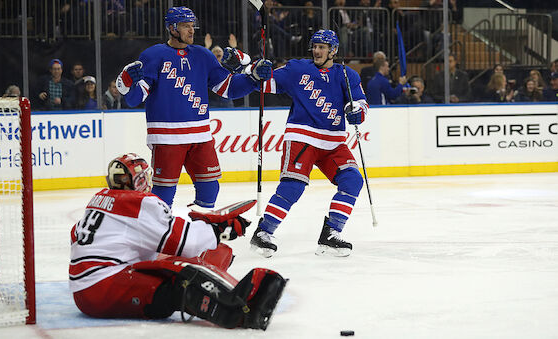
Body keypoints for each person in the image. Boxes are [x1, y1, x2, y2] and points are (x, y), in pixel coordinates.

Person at [70, 153, 287, 329]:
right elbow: (186, 244)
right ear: (140, 180)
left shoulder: (98, 200)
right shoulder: (138, 202)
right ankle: (237, 311)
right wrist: (220, 230)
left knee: (208, 255)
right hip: (103, 289)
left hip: (85, 290)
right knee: (179, 279)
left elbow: (77, 234)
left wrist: (204, 225)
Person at [116, 6, 272, 209]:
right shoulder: (153, 55)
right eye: (185, 26)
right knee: (164, 192)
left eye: (192, 26)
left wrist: (253, 78)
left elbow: (228, 88)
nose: (191, 31)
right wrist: (126, 84)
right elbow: (135, 99)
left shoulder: (202, 55)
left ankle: (199, 229)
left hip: (201, 135)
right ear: (172, 28)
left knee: (210, 187)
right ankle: (157, 232)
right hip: (167, 136)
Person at [247, 30, 369, 258]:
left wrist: (356, 112)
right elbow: (266, 84)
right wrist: (258, 72)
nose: (317, 51)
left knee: (352, 180)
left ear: (334, 50)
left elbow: (361, 103)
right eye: (315, 46)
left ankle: (331, 234)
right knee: (293, 186)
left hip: (333, 140)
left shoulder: (346, 75)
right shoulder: (297, 69)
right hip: (303, 136)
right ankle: (263, 232)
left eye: (322, 47)